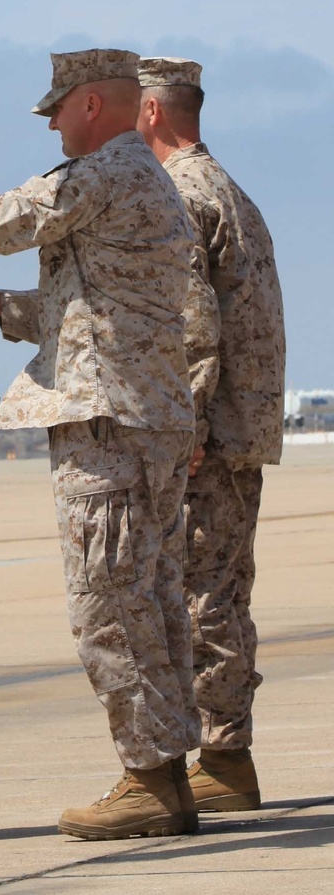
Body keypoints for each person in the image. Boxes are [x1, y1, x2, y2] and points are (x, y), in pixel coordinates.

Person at [0, 49, 207, 841]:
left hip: (109, 423)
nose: (49, 124)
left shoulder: (106, 169)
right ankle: (165, 773)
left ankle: (148, 775)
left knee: (107, 604)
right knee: (149, 599)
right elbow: (91, 300)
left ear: (89, 104)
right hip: (143, 414)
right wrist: (0, 308)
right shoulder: (141, 178)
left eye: (55, 110)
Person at [137, 56, 286, 812]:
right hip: (238, 427)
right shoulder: (229, 186)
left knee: (205, 594)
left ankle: (224, 756)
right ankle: (226, 751)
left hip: (210, 434)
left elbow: (194, 323)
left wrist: (184, 424)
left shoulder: (182, 193)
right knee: (222, 587)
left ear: (155, 112)